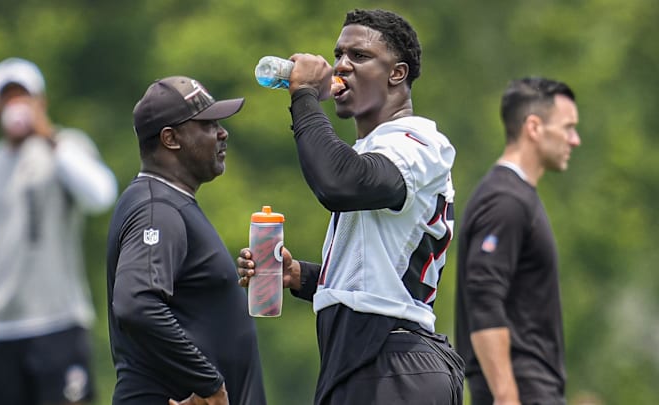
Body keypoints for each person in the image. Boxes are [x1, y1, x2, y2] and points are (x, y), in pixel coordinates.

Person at [238, 8, 464, 405]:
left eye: (359, 56)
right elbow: (377, 273)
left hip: (393, 362)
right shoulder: (375, 149)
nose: (342, 64)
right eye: (339, 54)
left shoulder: (415, 141)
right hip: (369, 362)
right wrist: (302, 276)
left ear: (397, 73)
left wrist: (305, 96)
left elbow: (339, 183)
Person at [0, 57, 118, 405]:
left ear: (41, 102)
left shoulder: (66, 147)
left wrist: (48, 134)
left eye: (24, 97)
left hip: (59, 320)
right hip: (0, 328)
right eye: (7, 99)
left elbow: (101, 195)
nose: (15, 107)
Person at [106, 76, 267, 405]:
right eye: (208, 125)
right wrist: (208, 384)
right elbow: (135, 302)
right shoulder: (157, 208)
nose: (222, 133)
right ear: (171, 138)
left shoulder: (165, 202)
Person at [454, 77, 580, 405]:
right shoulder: (505, 201)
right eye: (568, 128)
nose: (575, 140)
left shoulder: (516, 196)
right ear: (534, 127)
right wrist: (507, 395)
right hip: (523, 391)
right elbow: (483, 295)